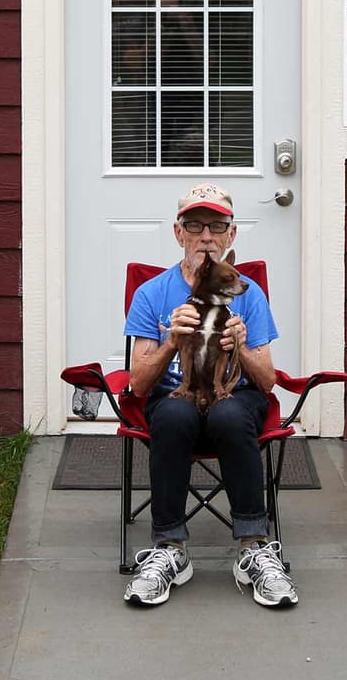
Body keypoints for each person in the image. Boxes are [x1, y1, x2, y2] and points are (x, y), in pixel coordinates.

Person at [120, 183, 300, 609]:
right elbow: (139, 384)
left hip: (233, 397)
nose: (206, 235)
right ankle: (169, 549)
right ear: (178, 232)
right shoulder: (152, 294)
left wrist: (239, 345)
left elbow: (268, 380)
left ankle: (254, 548)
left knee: (230, 417)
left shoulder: (248, 293)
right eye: (195, 224)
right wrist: (170, 340)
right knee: (173, 416)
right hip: (174, 398)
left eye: (216, 225)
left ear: (230, 235)